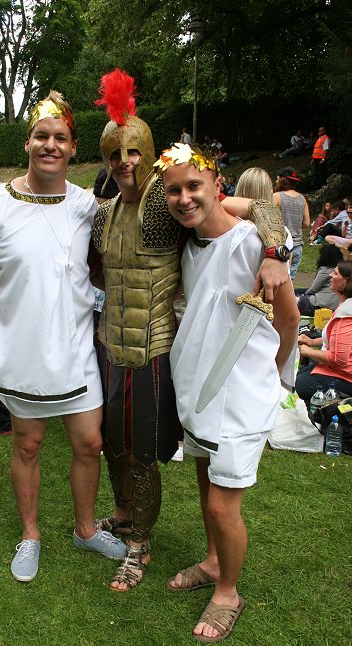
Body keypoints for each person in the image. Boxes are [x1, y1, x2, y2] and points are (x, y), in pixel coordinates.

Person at [92, 69, 290, 593]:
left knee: (141, 453)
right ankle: (133, 521)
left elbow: (263, 207)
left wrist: (274, 252)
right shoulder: (104, 212)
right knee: (114, 446)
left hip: (156, 347)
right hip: (116, 346)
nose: (125, 163)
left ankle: (145, 544)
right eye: (115, 154)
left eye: (134, 152)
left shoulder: (166, 203)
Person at [0, 90, 126, 583]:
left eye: (60, 138)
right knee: (27, 446)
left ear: (74, 149)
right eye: (41, 136)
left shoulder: (87, 207)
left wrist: (270, 244)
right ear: (27, 143)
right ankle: (30, 534)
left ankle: (86, 528)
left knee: (89, 444)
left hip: (74, 350)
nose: (50, 145)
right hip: (19, 351)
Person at [156, 142, 299, 643]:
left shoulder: (253, 244)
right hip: (196, 388)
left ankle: (228, 593)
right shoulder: (188, 244)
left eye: (194, 186)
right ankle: (215, 561)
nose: (184, 197)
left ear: (218, 184)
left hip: (239, 394)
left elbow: (290, 320)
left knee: (222, 505)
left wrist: (268, 377)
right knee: (204, 482)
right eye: (174, 190)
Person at [296, 261, 352, 408]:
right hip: (343, 371)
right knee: (300, 373)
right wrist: (311, 342)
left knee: (300, 384)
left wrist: (308, 352)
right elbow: (335, 338)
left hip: (347, 376)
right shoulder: (345, 305)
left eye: (335, 273)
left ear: (346, 281)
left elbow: (337, 359)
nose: (330, 275)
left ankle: (325, 414)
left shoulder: (346, 315)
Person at [273, 167, 310, 279]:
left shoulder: (276, 196)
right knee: (290, 282)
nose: (275, 181)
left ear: (283, 180)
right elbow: (307, 223)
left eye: (277, 179)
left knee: (278, 282)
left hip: (281, 247)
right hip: (298, 246)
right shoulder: (302, 198)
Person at [297, 244, 343, 315]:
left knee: (295, 295)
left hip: (321, 303)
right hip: (335, 305)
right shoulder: (340, 269)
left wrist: (304, 295)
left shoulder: (325, 270)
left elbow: (313, 289)